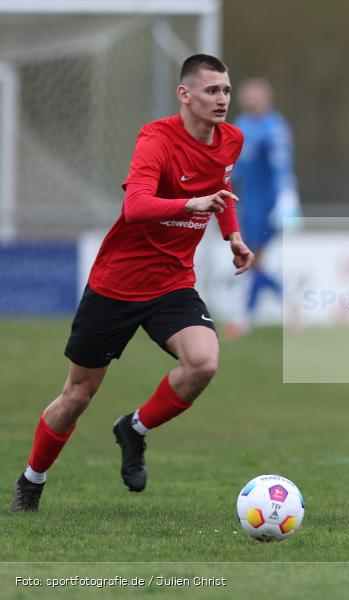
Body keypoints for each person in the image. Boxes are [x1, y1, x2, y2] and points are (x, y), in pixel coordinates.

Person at [10, 54, 254, 512]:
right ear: (185, 94)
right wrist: (190, 204)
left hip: (172, 283)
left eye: (225, 90)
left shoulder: (231, 139)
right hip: (116, 284)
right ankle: (31, 480)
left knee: (203, 363)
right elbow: (137, 206)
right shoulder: (156, 139)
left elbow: (223, 192)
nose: (222, 99)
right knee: (78, 395)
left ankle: (134, 429)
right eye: (211, 91)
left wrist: (233, 236)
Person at [226, 77, 301, 338]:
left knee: (254, 258)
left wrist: (286, 196)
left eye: (255, 95)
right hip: (249, 202)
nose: (249, 99)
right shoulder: (241, 125)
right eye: (247, 95)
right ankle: (270, 310)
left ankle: (249, 318)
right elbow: (234, 166)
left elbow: (282, 164)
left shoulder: (274, 126)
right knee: (254, 262)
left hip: (268, 202)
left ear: (267, 97)